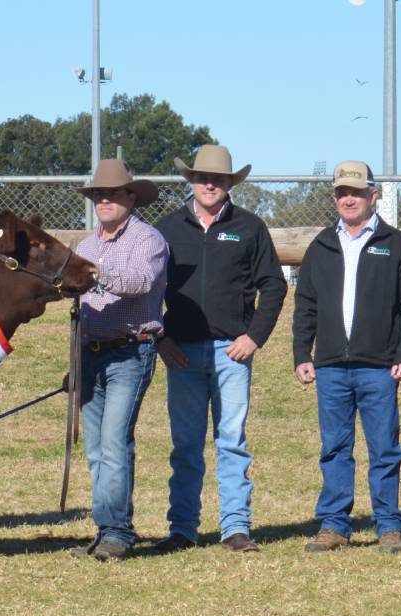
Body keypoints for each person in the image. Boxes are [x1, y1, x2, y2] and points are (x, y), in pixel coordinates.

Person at [153, 145, 286, 553]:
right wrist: (162, 339)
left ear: (230, 183)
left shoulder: (249, 227)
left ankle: (235, 528)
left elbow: (274, 286)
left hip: (232, 352)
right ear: (190, 180)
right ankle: (183, 528)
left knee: (231, 441)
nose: (209, 184)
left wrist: (254, 337)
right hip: (183, 353)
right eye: (201, 177)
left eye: (218, 179)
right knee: (186, 444)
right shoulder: (167, 229)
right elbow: (147, 290)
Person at [292, 160, 401, 554]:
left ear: (373, 195)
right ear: (335, 197)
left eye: (356, 192)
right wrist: (303, 352)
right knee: (334, 448)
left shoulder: (394, 243)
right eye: (341, 192)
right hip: (331, 366)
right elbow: (306, 304)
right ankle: (334, 525)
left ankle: (388, 526)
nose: (348, 199)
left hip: (379, 366)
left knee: (384, 448)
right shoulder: (321, 244)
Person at [67, 159, 168, 562]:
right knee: (95, 448)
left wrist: (94, 274)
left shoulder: (148, 239)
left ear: (131, 197)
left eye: (112, 194)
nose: (103, 200)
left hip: (131, 351)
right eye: (97, 195)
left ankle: (118, 532)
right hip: (89, 355)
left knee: (113, 442)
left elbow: (142, 282)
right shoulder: (86, 246)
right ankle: (106, 528)